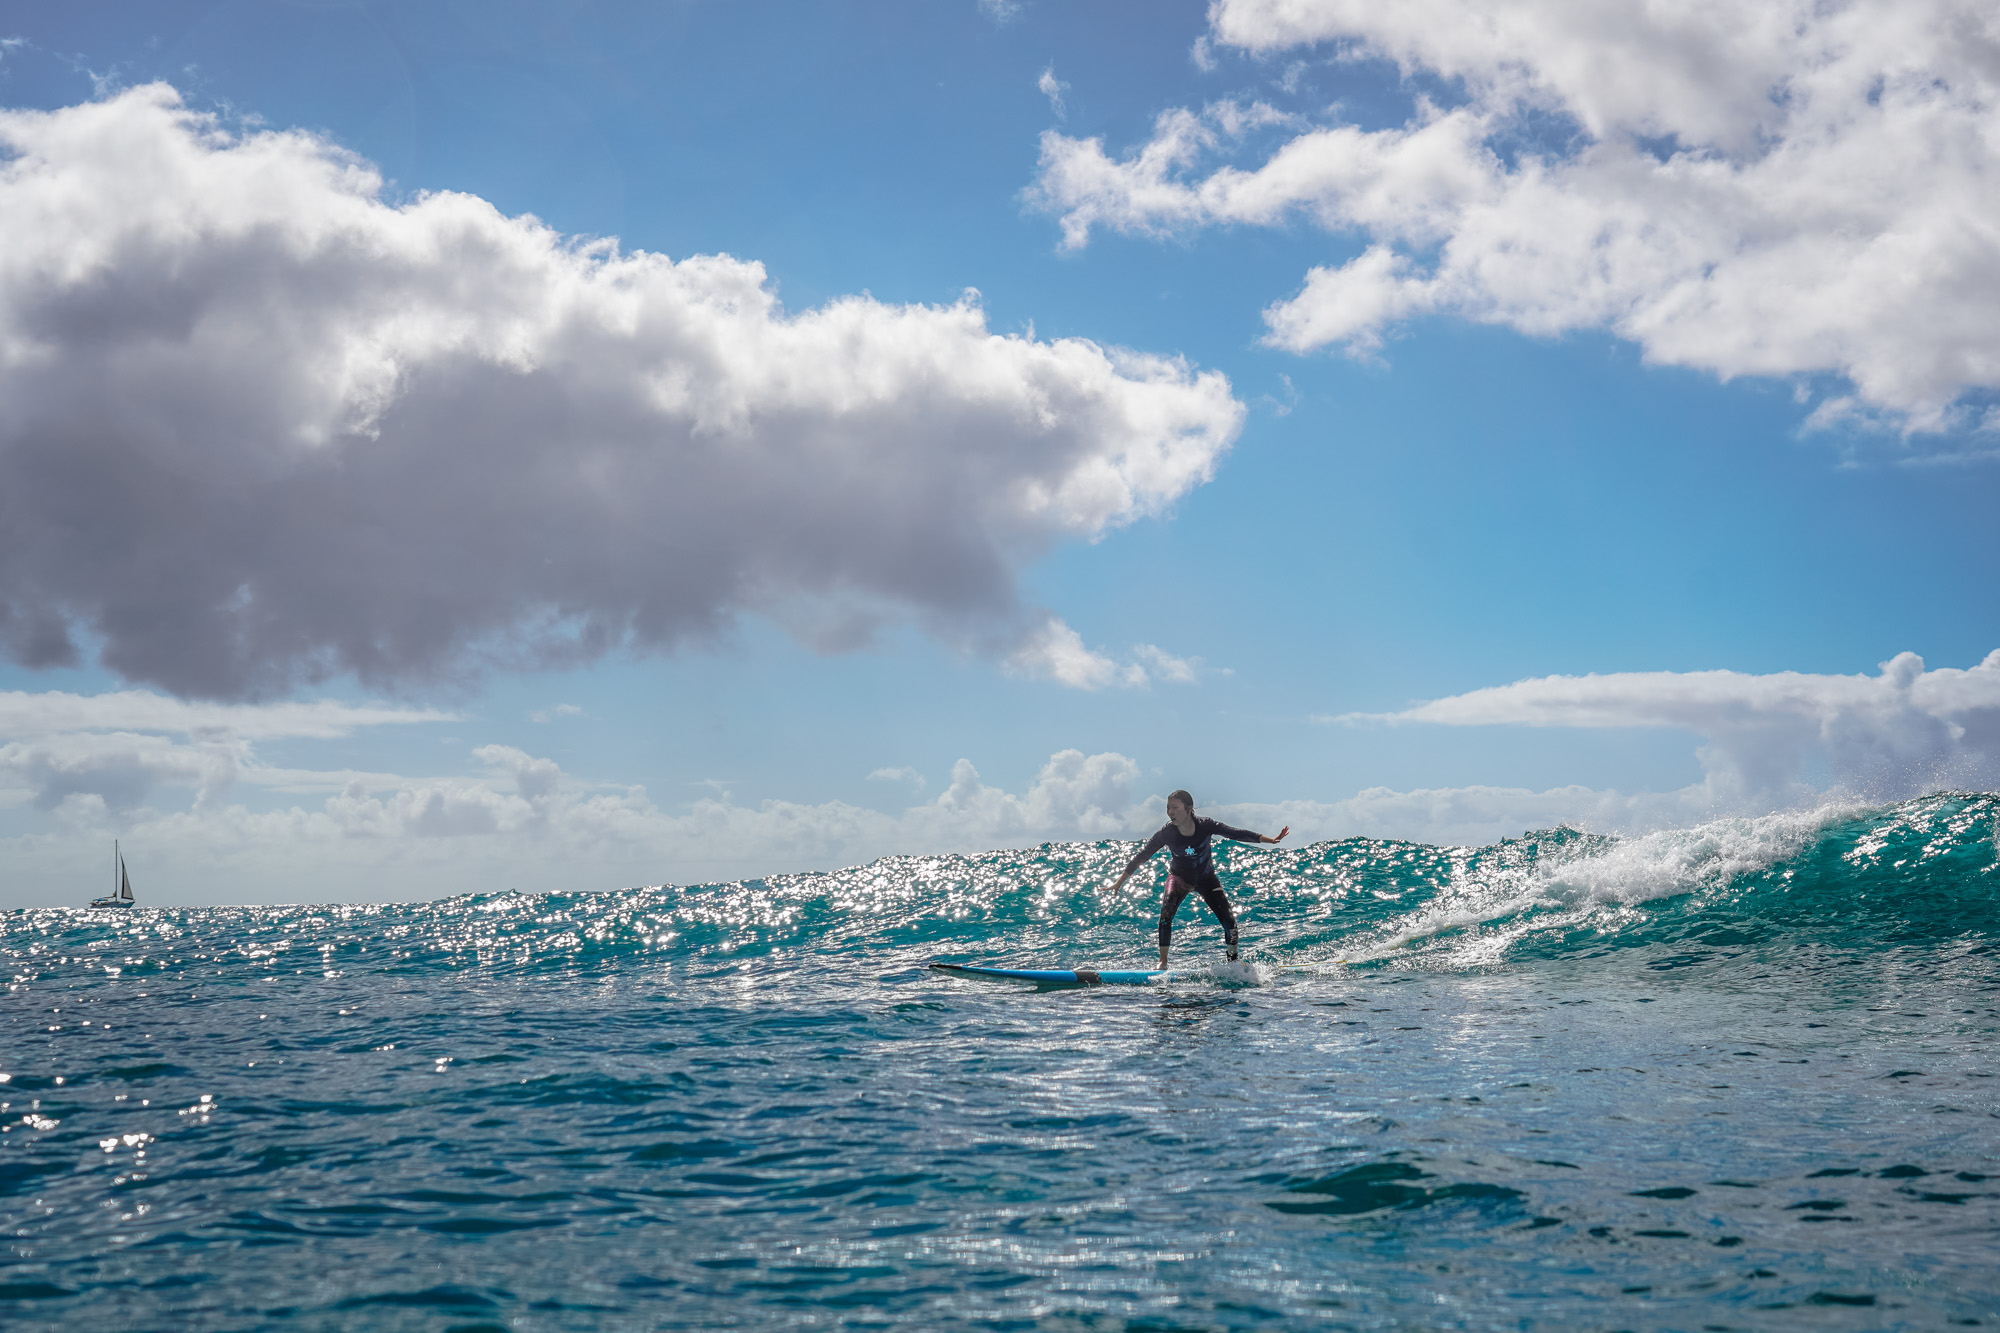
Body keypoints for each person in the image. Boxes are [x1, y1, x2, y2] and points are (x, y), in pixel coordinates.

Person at [1104, 789, 1287, 968]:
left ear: (1189, 808)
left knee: (1229, 921)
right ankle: (1163, 962)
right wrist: (1119, 882)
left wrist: (1269, 840)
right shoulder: (1167, 833)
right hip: (1179, 878)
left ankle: (1233, 962)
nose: (1170, 812)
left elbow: (1234, 833)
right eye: (1168, 808)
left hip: (1206, 879)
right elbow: (1143, 855)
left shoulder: (1206, 825)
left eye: (1175, 807)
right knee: (1165, 917)